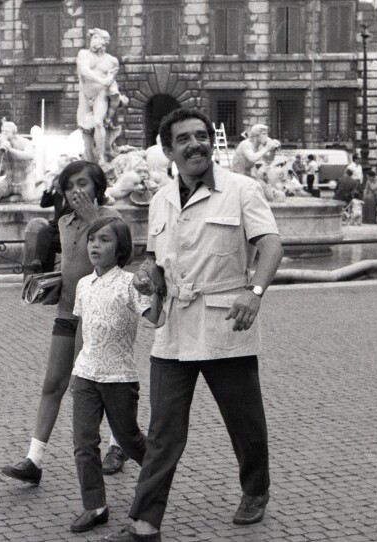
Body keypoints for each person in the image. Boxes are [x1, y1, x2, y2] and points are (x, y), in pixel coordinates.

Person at [105, 108, 284, 542]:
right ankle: (145, 524)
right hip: (173, 327)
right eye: (183, 138)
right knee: (164, 430)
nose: (195, 144)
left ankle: (255, 489)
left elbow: (271, 244)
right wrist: (148, 277)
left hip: (227, 321)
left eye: (201, 135)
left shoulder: (242, 189)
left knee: (244, 421)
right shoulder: (161, 198)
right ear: (168, 150)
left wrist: (254, 292)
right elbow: (155, 259)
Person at [2, 160, 129, 486]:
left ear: (97, 187)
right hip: (66, 312)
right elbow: (71, 263)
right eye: (71, 185)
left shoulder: (112, 219)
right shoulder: (63, 222)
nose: (76, 191)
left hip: (98, 316)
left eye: (83, 184)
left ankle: (119, 445)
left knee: (99, 386)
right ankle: (34, 459)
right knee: (53, 384)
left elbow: (123, 260)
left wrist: (92, 218)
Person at [68, 216, 162, 534]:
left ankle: (158, 473)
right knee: (84, 441)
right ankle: (95, 506)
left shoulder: (129, 283)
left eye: (104, 240)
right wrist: (74, 369)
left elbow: (155, 318)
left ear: (120, 247)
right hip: (85, 375)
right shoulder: (83, 284)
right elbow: (82, 329)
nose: (95, 245)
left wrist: (157, 289)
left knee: (129, 439)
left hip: (119, 377)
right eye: (92, 239)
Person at [77, 28, 127, 165]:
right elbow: (85, 71)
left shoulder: (112, 61)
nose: (92, 41)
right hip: (86, 94)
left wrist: (114, 91)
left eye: (96, 38)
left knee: (98, 123)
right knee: (86, 129)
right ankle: (88, 159)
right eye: (92, 38)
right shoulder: (84, 54)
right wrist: (102, 80)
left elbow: (111, 80)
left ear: (105, 41)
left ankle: (101, 158)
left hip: (101, 94)